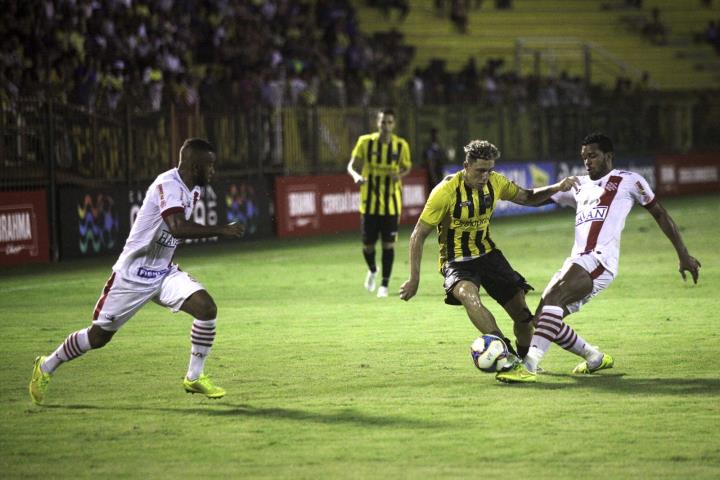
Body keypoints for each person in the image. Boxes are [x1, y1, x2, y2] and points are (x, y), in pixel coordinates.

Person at [29, 138, 245, 404]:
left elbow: (169, 237)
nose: (213, 171)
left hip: (163, 274)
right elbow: (176, 227)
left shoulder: (193, 190)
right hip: (132, 275)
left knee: (206, 308)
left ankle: (194, 377)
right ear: (194, 165)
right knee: (98, 337)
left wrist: (168, 263)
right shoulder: (168, 185)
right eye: (209, 166)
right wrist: (220, 229)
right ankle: (46, 365)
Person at [497, 132, 701, 383]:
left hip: (601, 260)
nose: (587, 161)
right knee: (543, 319)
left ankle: (528, 366)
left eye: (592, 156)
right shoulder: (578, 185)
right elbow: (530, 199)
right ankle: (594, 357)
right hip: (577, 260)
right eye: (584, 157)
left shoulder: (629, 180)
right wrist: (548, 186)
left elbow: (660, 214)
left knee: (554, 298)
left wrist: (683, 255)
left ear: (609, 156)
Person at [400, 140, 579, 358]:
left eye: (489, 170)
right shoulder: (445, 191)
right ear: (466, 166)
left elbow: (528, 197)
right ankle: (506, 355)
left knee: (523, 317)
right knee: (468, 295)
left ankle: (526, 362)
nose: (485, 176)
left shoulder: (496, 182)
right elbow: (418, 234)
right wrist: (414, 279)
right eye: (480, 171)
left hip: (488, 255)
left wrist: (557, 187)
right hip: (456, 260)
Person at [347, 108, 412, 298]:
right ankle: (373, 269)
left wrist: (398, 174)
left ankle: (384, 285)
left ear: (394, 124)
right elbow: (351, 165)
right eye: (383, 122)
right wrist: (356, 176)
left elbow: (407, 167)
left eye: (389, 122)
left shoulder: (401, 146)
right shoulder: (365, 142)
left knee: (388, 245)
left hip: (392, 204)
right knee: (367, 246)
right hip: (369, 204)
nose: (386, 126)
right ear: (378, 123)